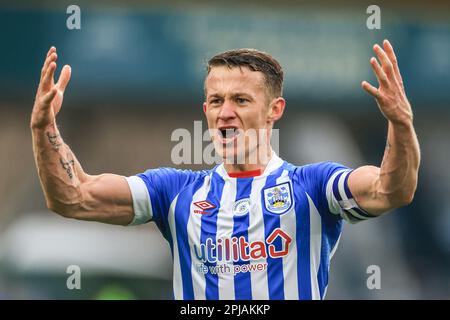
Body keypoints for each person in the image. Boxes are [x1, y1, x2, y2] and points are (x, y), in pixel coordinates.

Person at [30, 40, 420, 300]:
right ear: (205, 111)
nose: (225, 112)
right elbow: (74, 196)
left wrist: (401, 124)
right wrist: (43, 128)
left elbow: (391, 190)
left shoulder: (312, 187)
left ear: (274, 110)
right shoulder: (176, 191)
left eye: (241, 99)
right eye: (216, 100)